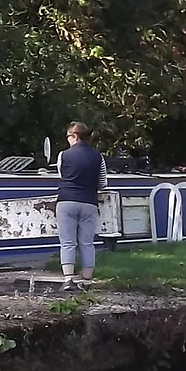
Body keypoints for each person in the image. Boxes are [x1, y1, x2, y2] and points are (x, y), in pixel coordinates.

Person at [56, 121, 107, 290]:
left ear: (75, 136)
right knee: (86, 242)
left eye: (69, 136)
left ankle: (69, 280)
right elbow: (103, 183)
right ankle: (86, 281)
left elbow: (63, 176)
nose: (68, 140)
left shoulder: (63, 155)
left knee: (67, 242)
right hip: (89, 203)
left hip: (66, 201)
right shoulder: (98, 157)